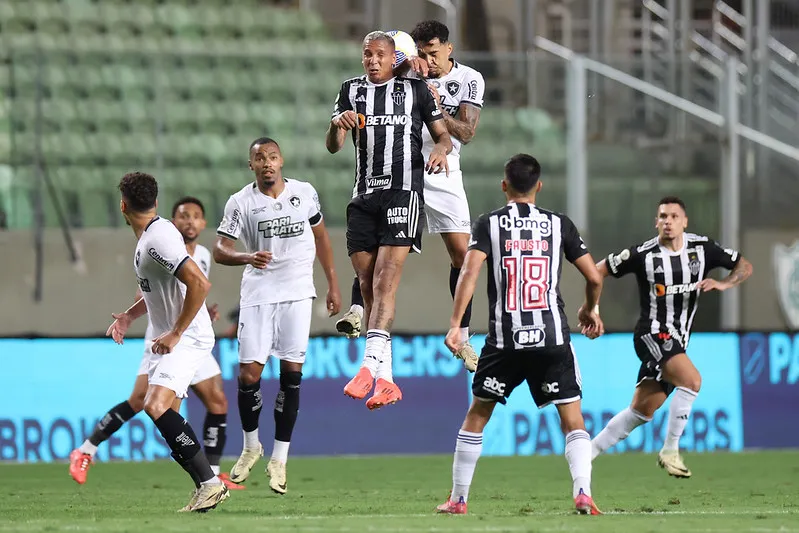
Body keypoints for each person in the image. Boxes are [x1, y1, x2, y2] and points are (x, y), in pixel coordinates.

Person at [437, 154, 604, 516]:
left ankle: (459, 499)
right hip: (551, 337)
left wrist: (456, 324)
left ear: (504, 185)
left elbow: (469, 272)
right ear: (539, 186)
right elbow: (594, 276)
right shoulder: (560, 225)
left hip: (504, 340)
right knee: (572, 420)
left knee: (477, 416)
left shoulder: (489, 224)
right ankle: (583, 493)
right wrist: (590, 309)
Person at [335, 21, 485, 374]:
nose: (429, 60)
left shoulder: (469, 79)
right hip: (402, 164)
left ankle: (461, 335)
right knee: (377, 246)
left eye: (435, 53)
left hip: (444, 166)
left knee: (463, 255)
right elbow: (381, 69)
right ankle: (359, 308)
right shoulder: (406, 67)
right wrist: (407, 66)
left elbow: (467, 131)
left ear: (449, 48)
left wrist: (434, 107)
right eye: (423, 53)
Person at [68, 197, 243, 491]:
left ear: (203, 223)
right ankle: (86, 449)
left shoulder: (201, 254)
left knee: (217, 402)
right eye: (183, 216)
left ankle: (212, 475)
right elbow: (150, 295)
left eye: (196, 216)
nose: (190, 221)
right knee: (149, 404)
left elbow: (190, 290)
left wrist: (200, 311)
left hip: (190, 333)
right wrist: (129, 317)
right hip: (166, 337)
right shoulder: (159, 245)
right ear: (173, 220)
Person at [326, 30, 453, 409]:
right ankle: (388, 379)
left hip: (403, 192)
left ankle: (367, 367)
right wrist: (337, 125)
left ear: (393, 56)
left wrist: (442, 152)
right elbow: (333, 146)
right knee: (367, 286)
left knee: (384, 282)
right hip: (363, 197)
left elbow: (443, 137)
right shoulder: (349, 90)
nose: (373, 60)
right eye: (367, 54)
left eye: (380, 54)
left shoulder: (414, 90)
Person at [589, 196, 753, 477]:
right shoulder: (643, 254)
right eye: (663, 216)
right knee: (692, 380)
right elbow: (598, 271)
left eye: (674, 216)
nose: (668, 221)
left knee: (640, 412)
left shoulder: (703, 249)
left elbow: (744, 266)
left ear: (684, 222)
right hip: (651, 333)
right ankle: (670, 450)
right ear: (656, 222)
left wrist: (724, 283)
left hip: (678, 339)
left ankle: (586, 453)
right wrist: (592, 308)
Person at [214, 137, 341, 494]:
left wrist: (332, 283)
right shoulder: (240, 202)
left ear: (281, 160)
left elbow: (321, 238)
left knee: (291, 374)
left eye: (272, 156)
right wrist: (246, 257)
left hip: (298, 293)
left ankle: (280, 458)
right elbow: (221, 249)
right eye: (259, 158)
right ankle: (251, 445)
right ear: (250, 165)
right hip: (258, 294)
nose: (267, 163)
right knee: (248, 374)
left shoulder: (304, 193)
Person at [103, 172, 229, 512]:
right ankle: (207, 483)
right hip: (173, 335)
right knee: (164, 414)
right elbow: (158, 288)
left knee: (154, 405)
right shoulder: (152, 236)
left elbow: (200, 285)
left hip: (186, 336)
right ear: (156, 203)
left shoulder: (157, 239)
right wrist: (130, 315)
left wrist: (175, 332)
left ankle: (211, 484)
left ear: (122, 205)